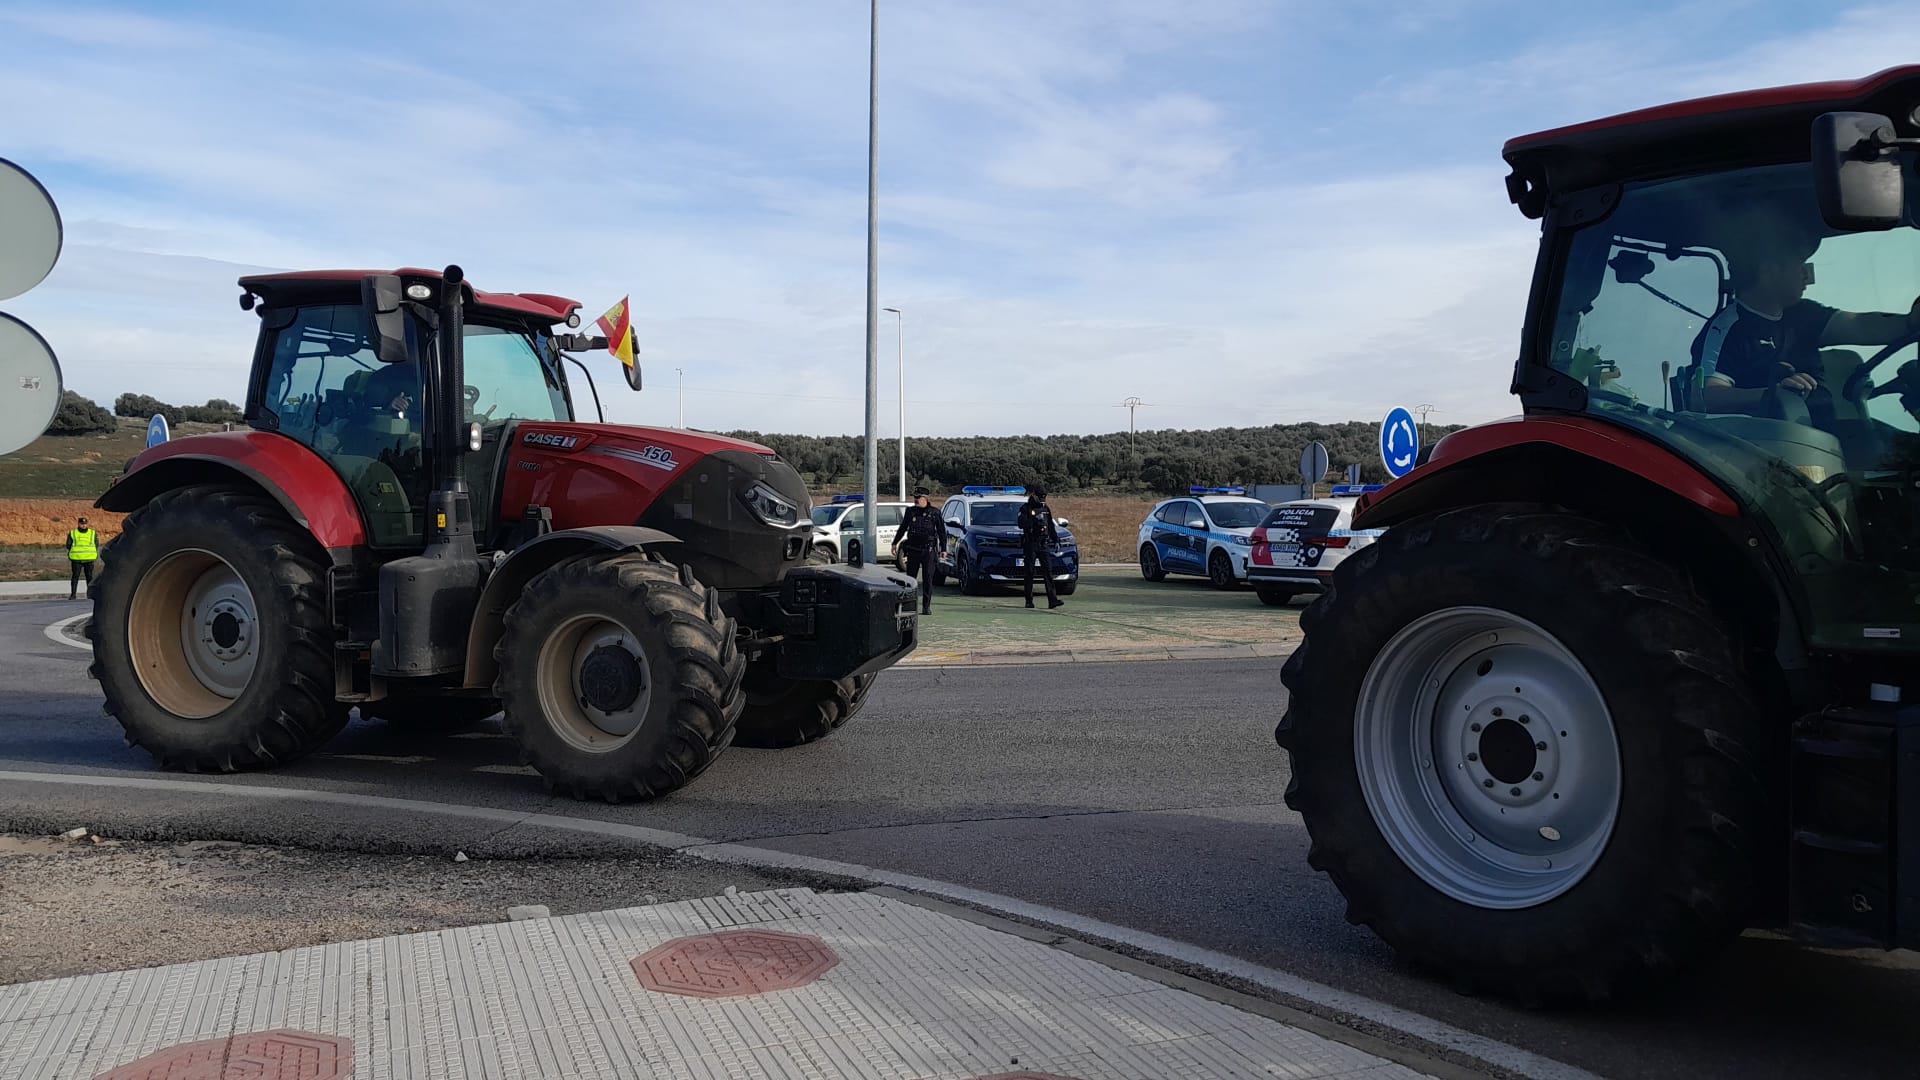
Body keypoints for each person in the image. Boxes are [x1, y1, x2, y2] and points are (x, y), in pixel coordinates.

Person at [1691, 223, 1920, 417]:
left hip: (1828, 444)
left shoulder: (1804, 314)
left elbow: (1859, 326)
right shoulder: (1728, 328)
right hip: (1765, 452)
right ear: (1768, 272)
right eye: (1799, 266)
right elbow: (1708, 396)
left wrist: (1910, 322)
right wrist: (1775, 393)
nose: (1807, 276)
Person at [896, 487, 945, 615]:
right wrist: (895, 543)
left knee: (928, 579)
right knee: (911, 579)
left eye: (918, 498)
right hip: (913, 550)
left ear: (925, 499)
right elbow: (903, 528)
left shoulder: (935, 513)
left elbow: (941, 532)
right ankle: (910, 605)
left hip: (928, 550)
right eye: (915, 498)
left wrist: (943, 549)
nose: (916, 500)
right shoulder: (910, 511)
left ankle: (926, 606)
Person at [1017, 486, 1064, 609]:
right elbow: (1021, 524)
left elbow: (1050, 526)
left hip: (1043, 544)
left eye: (1044, 498)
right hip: (1031, 543)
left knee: (1048, 572)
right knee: (1030, 572)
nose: (1043, 500)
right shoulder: (1025, 508)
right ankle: (1029, 600)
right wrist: (1033, 519)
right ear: (1034, 495)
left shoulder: (1045, 509)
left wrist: (1056, 539)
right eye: (1041, 497)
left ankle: (1052, 600)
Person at [66, 516, 99, 601]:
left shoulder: (92, 533)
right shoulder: (73, 533)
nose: (83, 525)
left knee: (89, 577)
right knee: (75, 576)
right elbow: (68, 545)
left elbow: (96, 544)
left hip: (89, 559)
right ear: (78, 524)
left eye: (85, 524)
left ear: (87, 524)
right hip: (77, 559)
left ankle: (90, 595)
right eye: (82, 524)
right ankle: (73, 595)